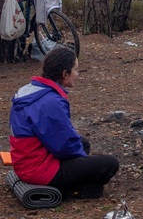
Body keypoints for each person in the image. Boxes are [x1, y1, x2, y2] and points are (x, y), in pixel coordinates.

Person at [9, 47, 119, 199]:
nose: (77, 74)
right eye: (75, 70)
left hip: (26, 161)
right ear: (64, 74)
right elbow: (64, 145)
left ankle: (76, 182)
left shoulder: (33, 91)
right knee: (109, 164)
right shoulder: (50, 102)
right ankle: (72, 189)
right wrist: (83, 161)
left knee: (83, 143)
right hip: (39, 169)